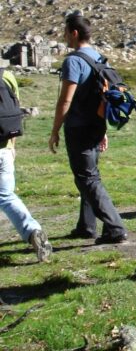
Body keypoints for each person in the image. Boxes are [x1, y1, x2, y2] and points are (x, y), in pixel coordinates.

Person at [49, 13, 128, 244]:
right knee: (90, 175)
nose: (64, 36)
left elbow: (66, 100)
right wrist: (103, 130)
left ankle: (115, 228)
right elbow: (104, 97)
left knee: (87, 178)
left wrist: (55, 130)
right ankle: (86, 226)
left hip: (79, 127)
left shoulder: (73, 61)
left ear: (74, 33)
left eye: (65, 32)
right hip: (95, 125)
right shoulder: (100, 58)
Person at [0, 69, 52, 262]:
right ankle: (32, 231)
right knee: (6, 196)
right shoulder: (6, 75)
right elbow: (15, 109)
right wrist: (12, 145)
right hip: (5, 148)